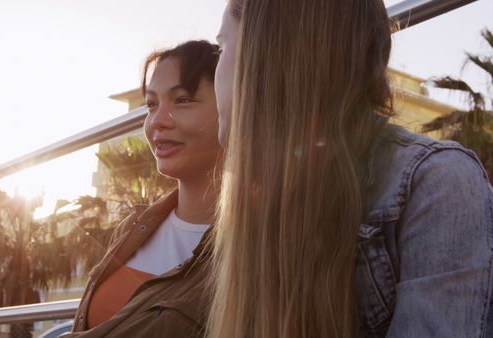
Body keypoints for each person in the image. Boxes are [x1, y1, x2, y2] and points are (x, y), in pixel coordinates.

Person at [209, 0, 493, 337]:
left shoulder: (436, 182)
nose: (215, 72)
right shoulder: (262, 202)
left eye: (220, 48)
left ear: (267, 55)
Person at [64, 40, 221, 337]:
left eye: (183, 100)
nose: (158, 121)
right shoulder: (133, 228)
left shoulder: (255, 247)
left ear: (231, 106)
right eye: (151, 105)